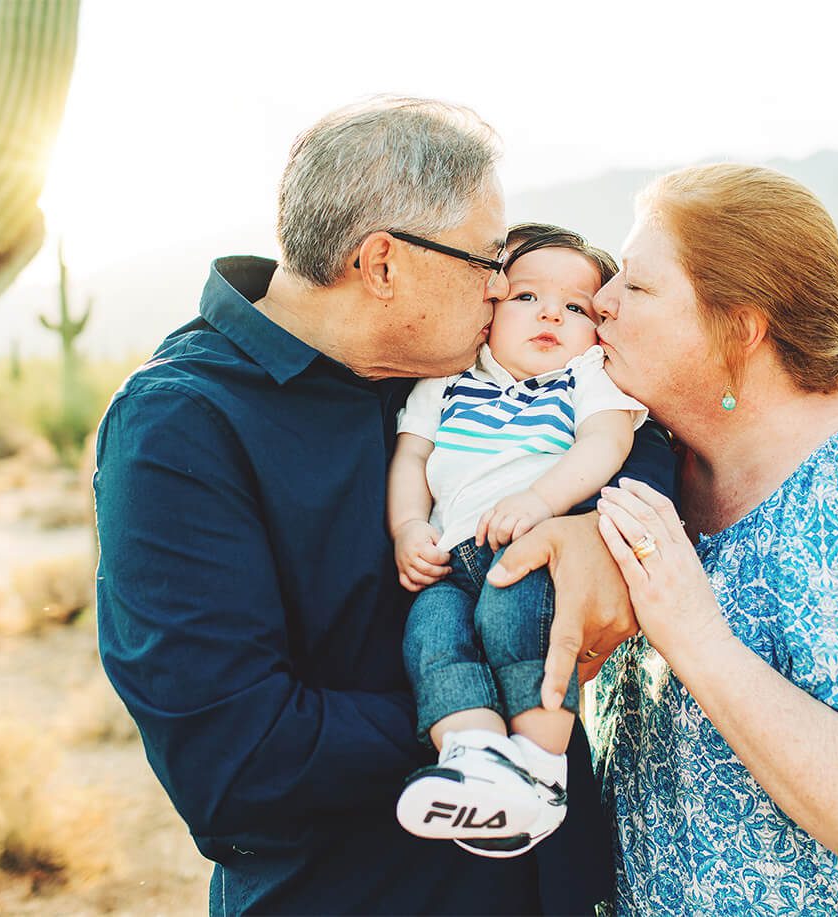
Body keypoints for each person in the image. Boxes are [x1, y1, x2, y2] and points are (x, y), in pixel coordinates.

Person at [93, 97, 677, 915]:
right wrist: (488, 710)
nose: (504, 288)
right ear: (383, 265)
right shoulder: (180, 425)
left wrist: (594, 529)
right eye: (488, 261)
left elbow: (628, 416)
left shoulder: (450, 359)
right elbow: (233, 759)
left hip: (560, 887)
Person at [528, 162, 838, 913]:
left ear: (742, 326)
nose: (600, 303)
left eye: (637, 286)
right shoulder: (657, 458)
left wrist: (696, 636)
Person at [390, 223, 644, 857]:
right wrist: (408, 526)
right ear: (490, 310)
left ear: (597, 327)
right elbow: (411, 457)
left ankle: (539, 770)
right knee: (432, 630)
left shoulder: (587, 377)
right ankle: (474, 761)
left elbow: (606, 444)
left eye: (576, 306)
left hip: (527, 550)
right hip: (449, 555)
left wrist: (541, 501)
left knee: (517, 631)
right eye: (527, 297)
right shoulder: (447, 382)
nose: (551, 313)